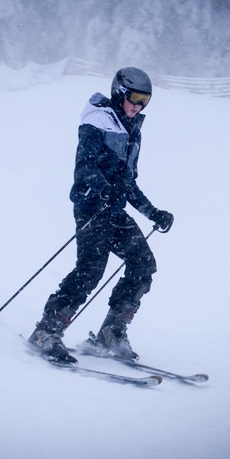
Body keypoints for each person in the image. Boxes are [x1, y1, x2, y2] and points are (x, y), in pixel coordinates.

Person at [27, 67, 175, 364]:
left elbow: (127, 183)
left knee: (143, 263)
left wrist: (153, 213)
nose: (139, 106)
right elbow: (84, 168)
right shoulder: (97, 122)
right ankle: (47, 330)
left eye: (145, 100)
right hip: (91, 208)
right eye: (134, 98)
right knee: (91, 270)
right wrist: (104, 191)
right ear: (120, 93)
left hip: (114, 210)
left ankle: (112, 331)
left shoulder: (131, 128)